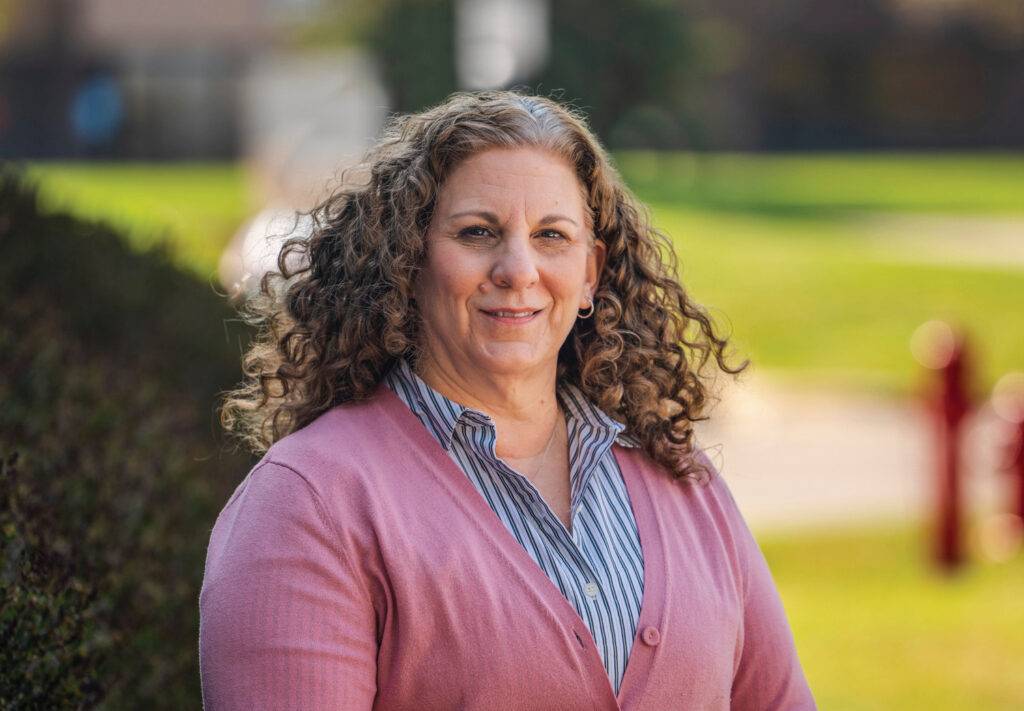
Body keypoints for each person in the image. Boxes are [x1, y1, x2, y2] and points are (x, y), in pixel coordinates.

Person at [200, 90, 817, 710]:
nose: (518, 269)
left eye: (552, 235)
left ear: (590, 273)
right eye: (477, 233)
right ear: (408, 259)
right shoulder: (310, 503)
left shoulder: (683, 481)